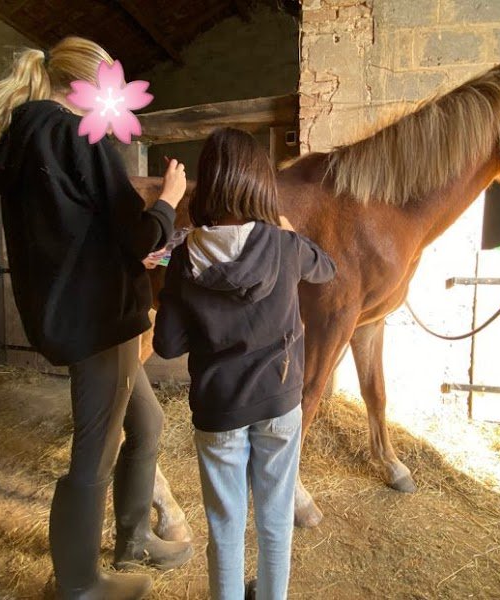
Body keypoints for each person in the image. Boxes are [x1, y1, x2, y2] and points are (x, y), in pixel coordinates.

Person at [0, 37, 192, 599]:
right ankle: (79, 584)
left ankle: (134, 540)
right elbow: (139, 236)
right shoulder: (77, 136)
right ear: (90, 88)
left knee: (148, 425)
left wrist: (134, 240)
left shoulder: (29, 139)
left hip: (77, 312)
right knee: (95, 451)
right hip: (100, 318)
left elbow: (81, 233)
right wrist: (169, 199)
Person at [153, 127, 337, 600]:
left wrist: (202, 321)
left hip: (219, 410)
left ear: (208, 184)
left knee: (225, 526)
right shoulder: (285, 246)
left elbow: (167, 345)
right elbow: (327, 268)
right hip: (279, 402)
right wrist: (290, 232)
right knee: (276, 521)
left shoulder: (183, 258)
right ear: (260, 184)